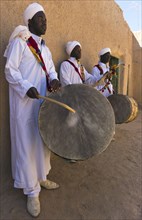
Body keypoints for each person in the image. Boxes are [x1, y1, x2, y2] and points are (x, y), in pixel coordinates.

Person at [4, 2, 61, 217]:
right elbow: (10, 71)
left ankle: (42, 176)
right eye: (40, 18)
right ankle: (31, 191)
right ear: (29, 22)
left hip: (43, 104)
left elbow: (51, 71)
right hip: (25, 105)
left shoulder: (44, 48)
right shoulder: (20, 43)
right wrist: (26, 87)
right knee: (27, 145)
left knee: (42, 142)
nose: (44, 22)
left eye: (45, 18)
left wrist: (54, 80)